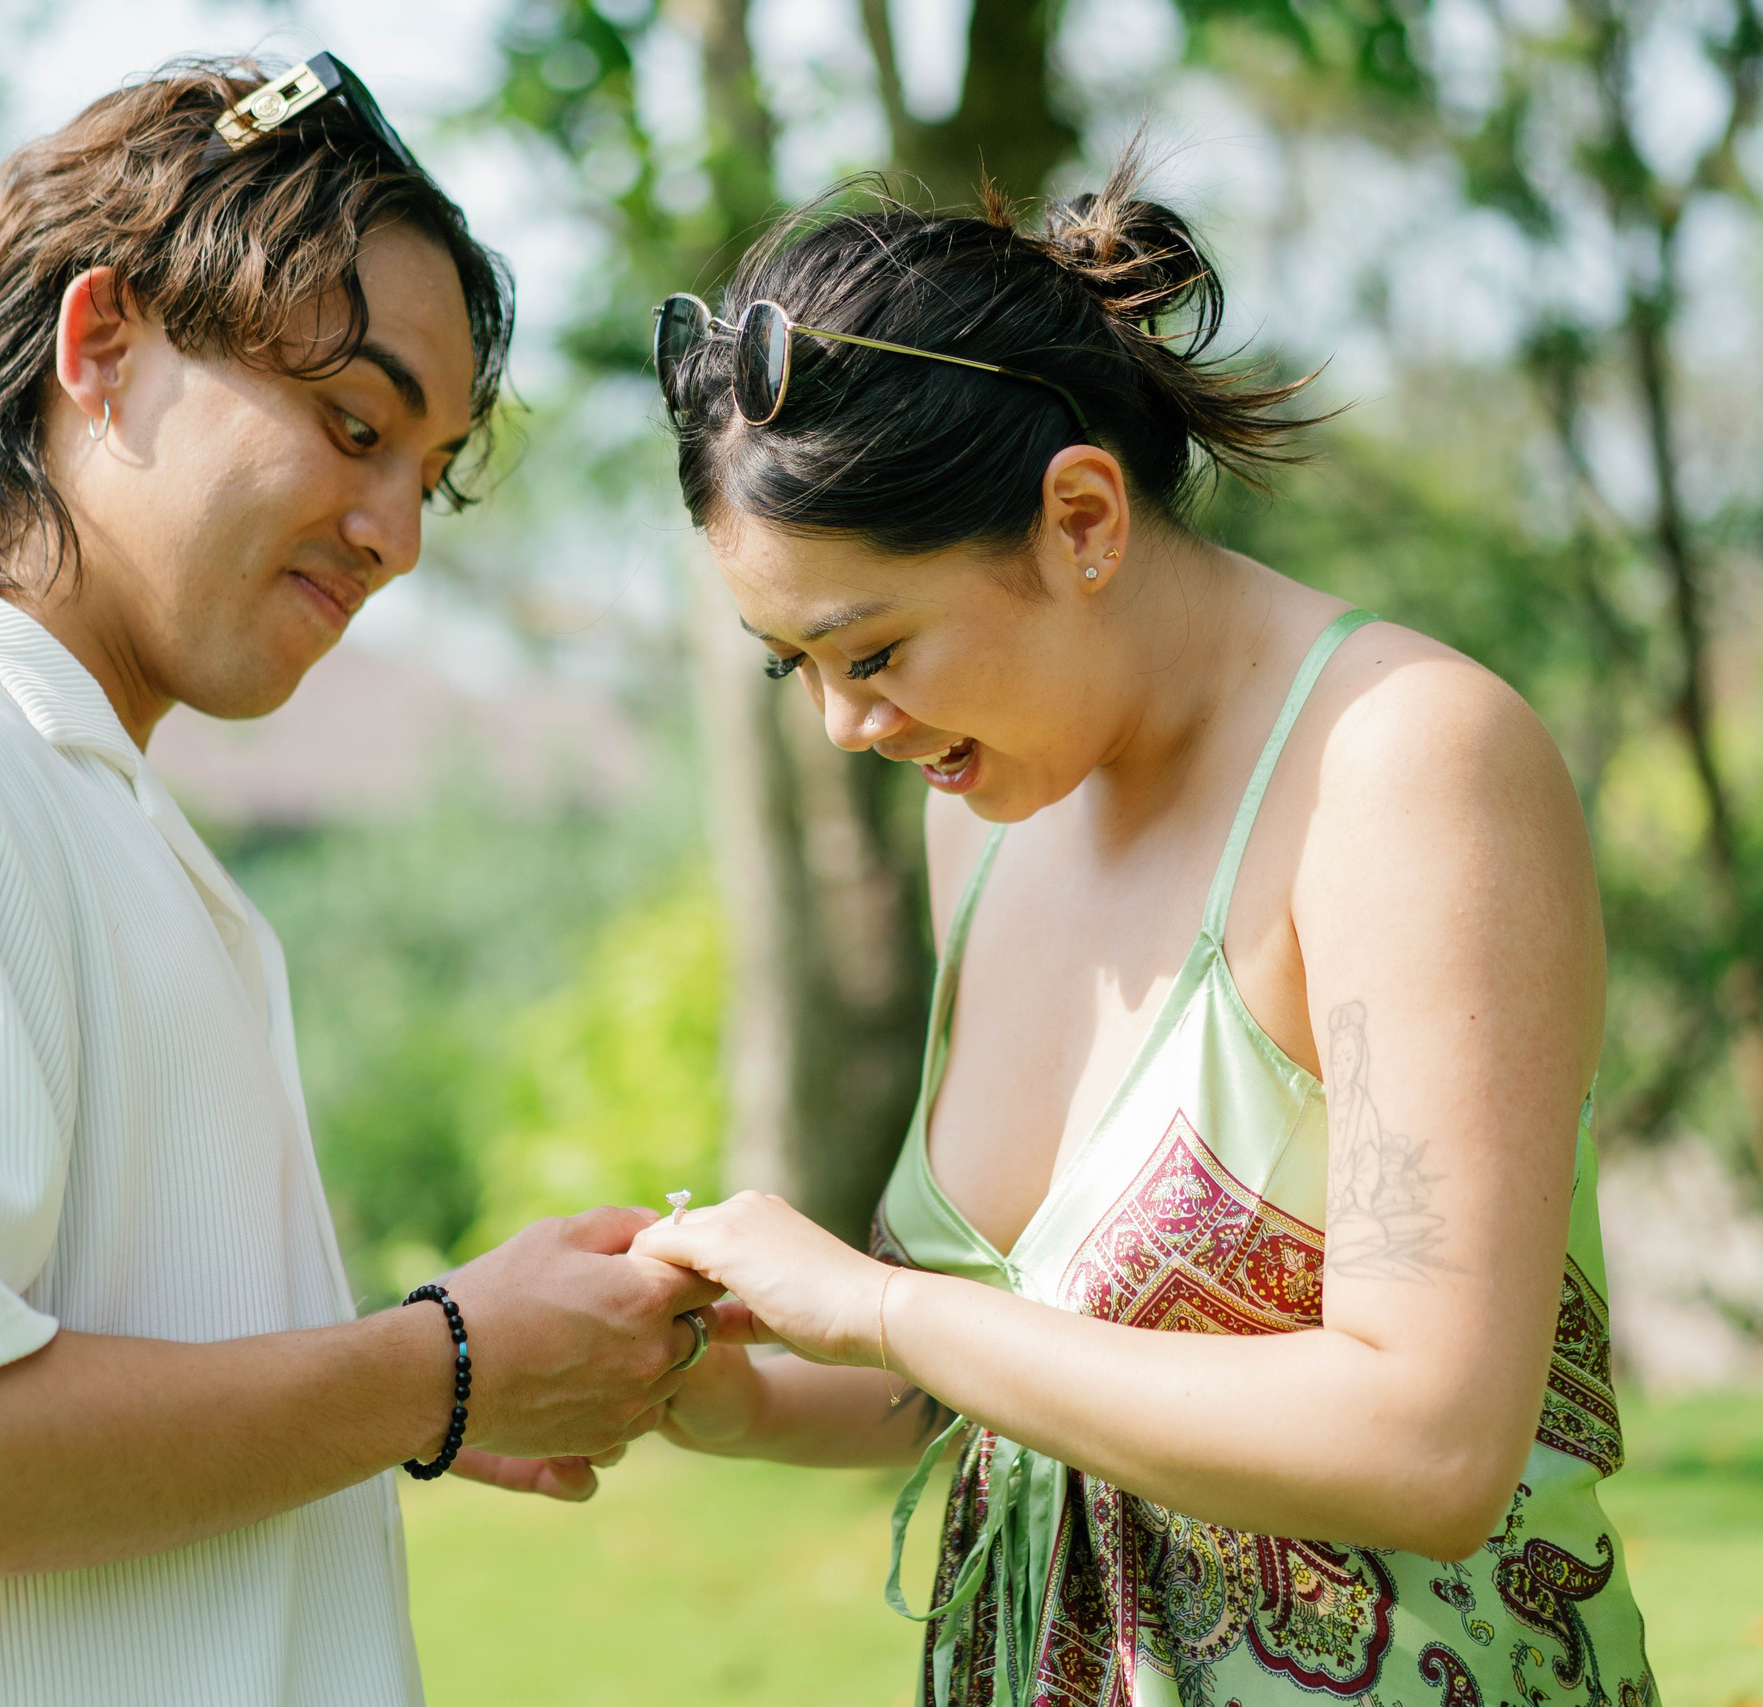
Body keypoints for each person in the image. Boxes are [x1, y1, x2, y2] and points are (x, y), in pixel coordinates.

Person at [0, 56, 715, 1706]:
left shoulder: (79, 805)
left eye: (431, 470)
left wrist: (432, 1368)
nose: (398, 533)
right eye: (355, 425)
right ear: (101, 346)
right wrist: (443, 1370)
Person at [630, 151, 1655, 1706]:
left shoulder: (1406, 768)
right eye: (797, 668)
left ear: (1082, 517)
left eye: (875, 648)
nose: (845, 725)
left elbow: (1430, 1440)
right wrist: (731, 1395)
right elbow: (1032, 1378)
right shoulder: (976, 820)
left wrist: (883, 1306)